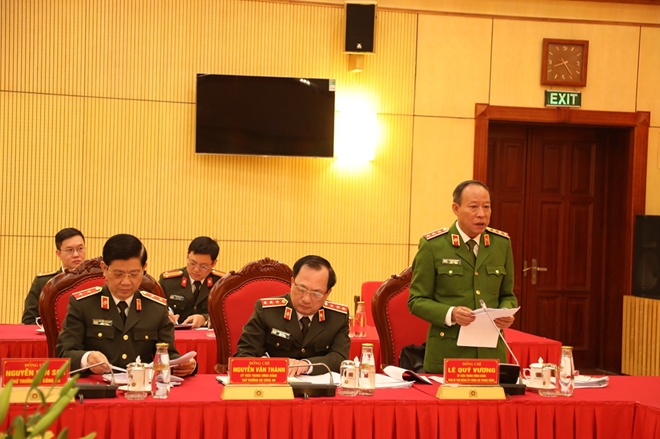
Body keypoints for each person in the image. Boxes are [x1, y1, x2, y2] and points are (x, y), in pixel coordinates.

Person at [408, 180, 518, 373]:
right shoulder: (433, 245)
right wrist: (451, 313)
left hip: (490, 355)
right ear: (456, 209)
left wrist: (505, 312)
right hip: (447, 355)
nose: (481, 214)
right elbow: (416, 301)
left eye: (486, 207)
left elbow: (507, 295)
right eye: (474, 207)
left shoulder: (501, 244)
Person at [56, 234, 196, 376]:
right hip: (97, 385)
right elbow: (64, 354)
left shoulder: (156, 308)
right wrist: (87, 358)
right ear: (104, 268)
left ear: (144, 268)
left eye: (134, 274)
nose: (126, 282)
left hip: (141, 386)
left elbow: (167, 354)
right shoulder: (83, 305)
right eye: (118, 274)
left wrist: (186, 364)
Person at [235, 255, 350, 376]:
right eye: (301, 289)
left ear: (327, 293)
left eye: (316, 294)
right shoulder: (267, 311)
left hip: (318, 386)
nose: (306, 299)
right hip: (273, 383)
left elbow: (340, 358)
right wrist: (271, 365)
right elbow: (244, 354)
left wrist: (307, 365)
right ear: (292, 282)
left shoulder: (337, 317)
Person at [22, 228, 87, 325]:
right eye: (69, 250)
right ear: (58, 254)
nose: (76, 254)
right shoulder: (44, 282)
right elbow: (29, 320)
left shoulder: (97, 281)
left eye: (80, 248)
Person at [159, 237, 224, 328]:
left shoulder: (221, 284)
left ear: (213, 263)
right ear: (187, 256)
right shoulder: (168, 281)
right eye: (192, 263)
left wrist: (205, 319)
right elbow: (154, 310)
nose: (196, 269)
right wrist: (165, 316)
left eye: (203, 266)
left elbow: (227, 314)